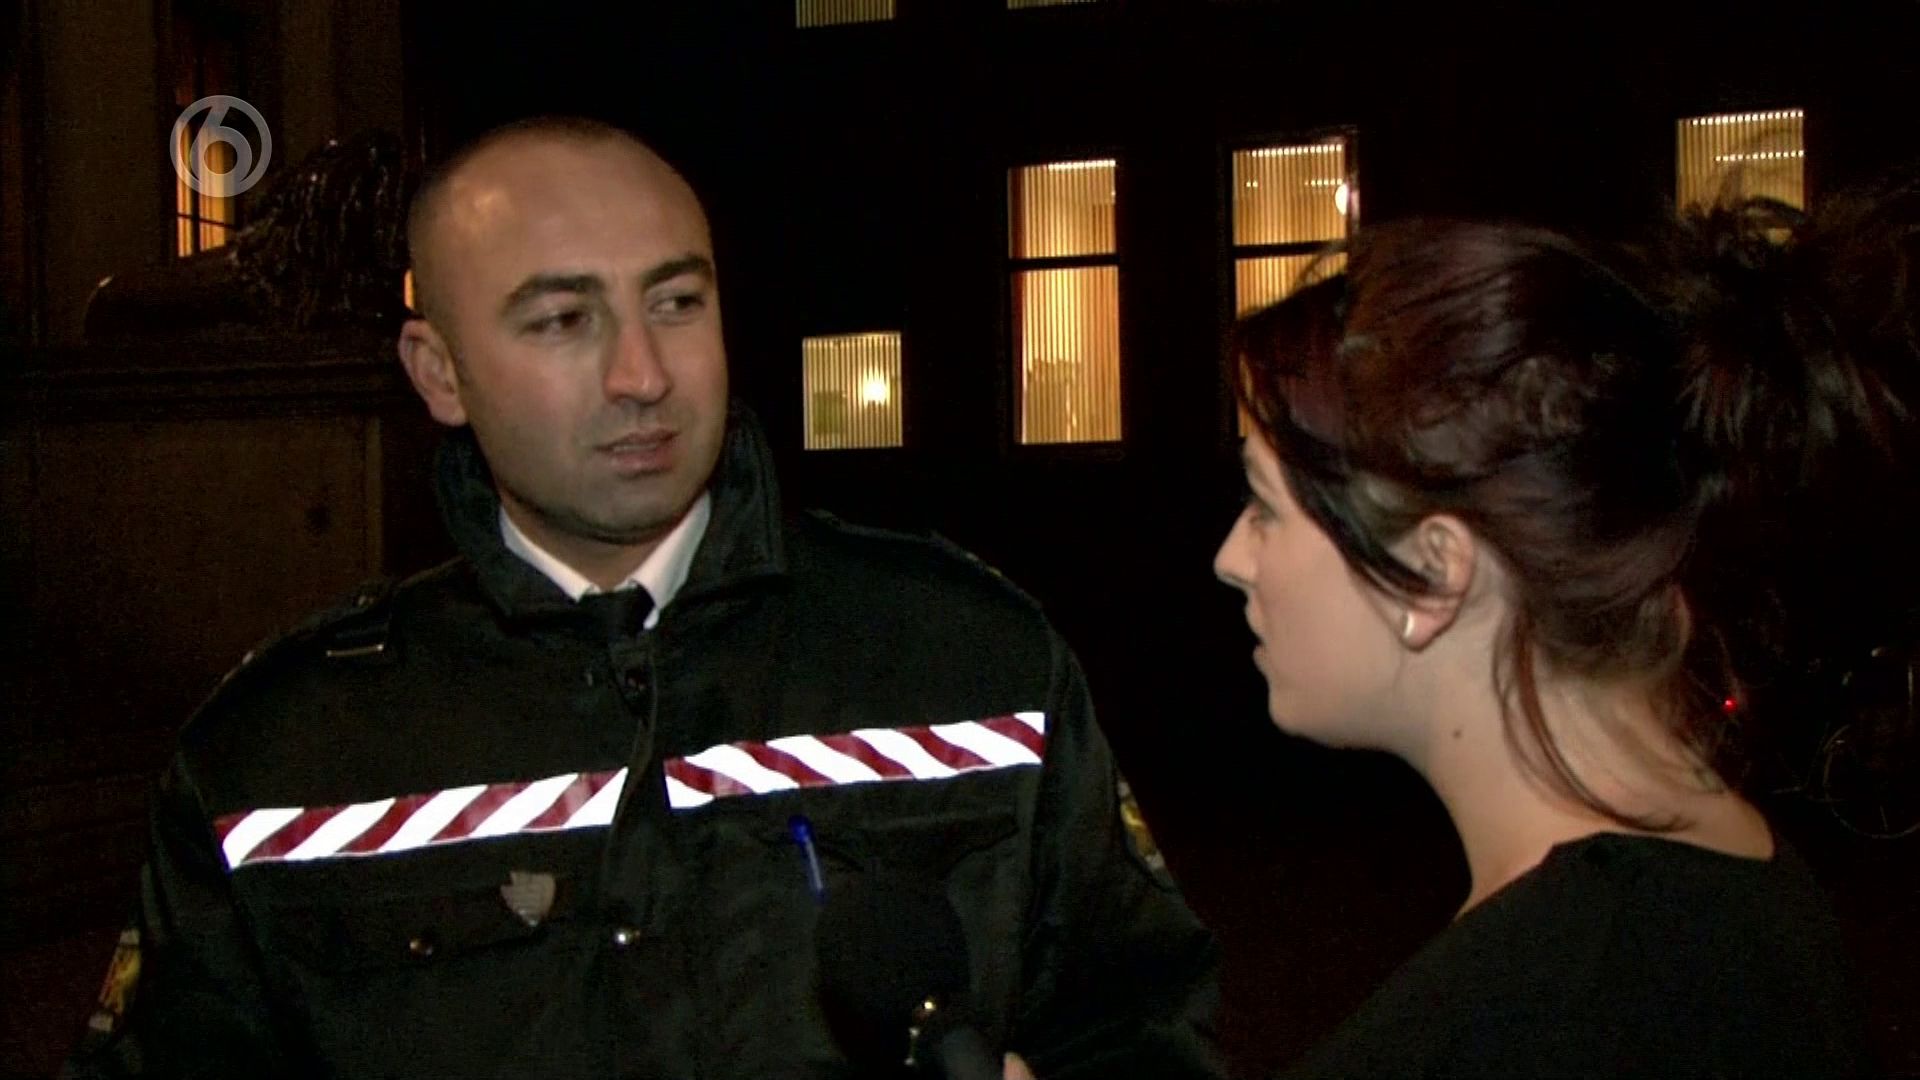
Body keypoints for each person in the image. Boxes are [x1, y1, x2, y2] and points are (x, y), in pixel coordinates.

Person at [64, 115, 1220, 1080]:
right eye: (564, 320)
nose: (643, 375)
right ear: (439, 372)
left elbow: (1145, 1028)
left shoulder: (969, 660)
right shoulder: (277, 756)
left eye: (676, 303)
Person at [1214, 186, 1919, 1078]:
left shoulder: (1525, 1019)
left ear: (1434, 571)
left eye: (1265, 506)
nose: (1231, 558)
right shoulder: (1739, 894)